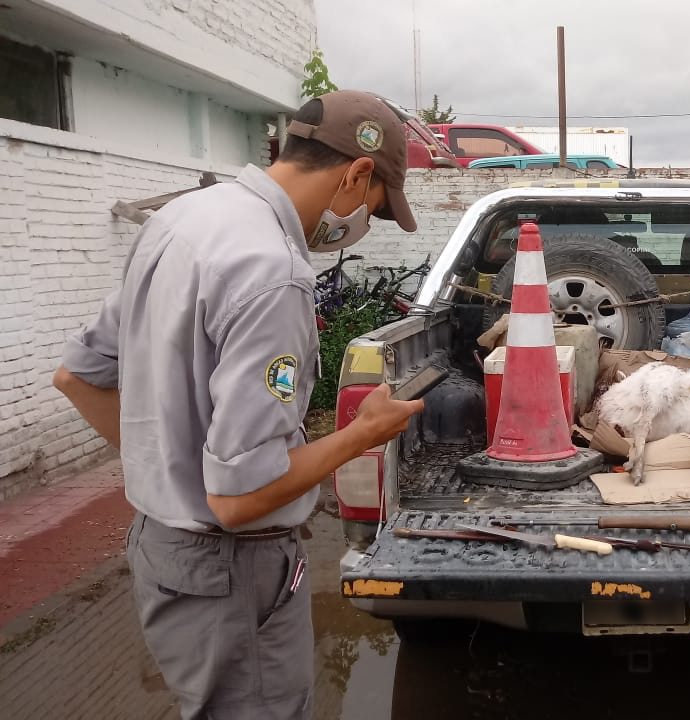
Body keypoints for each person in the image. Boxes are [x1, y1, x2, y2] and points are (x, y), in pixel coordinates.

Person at [52, 90, 425, 719]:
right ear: (358, 174)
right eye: (377, 211)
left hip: (162, 549)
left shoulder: (183, 221)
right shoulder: (272, 271)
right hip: (231, 572)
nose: (363, 224)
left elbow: (77, 376)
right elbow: (242, 497)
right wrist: (364, 434)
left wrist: (171, 467)